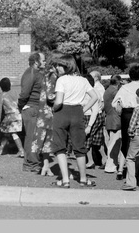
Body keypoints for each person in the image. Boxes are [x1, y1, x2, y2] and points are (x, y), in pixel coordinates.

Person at [50, 55, 99, 188]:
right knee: (79, 147)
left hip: (62, 112)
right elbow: (95, 97)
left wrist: (53, 108)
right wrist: (83, 109)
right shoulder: (83, 80)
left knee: (60, 146)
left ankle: (65, 180)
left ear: (66, 66)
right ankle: (83, 179)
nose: (57, 68)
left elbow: (59, 101)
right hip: (77, 112)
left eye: (59, 65)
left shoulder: (61, 80)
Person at [112, 64, 139, 180]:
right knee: (138, 142)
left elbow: (114, 103)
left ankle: (120, 169)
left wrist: (120, 106)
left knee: (125, 142)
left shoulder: (124, 88)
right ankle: (135, 171)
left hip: (126, 114)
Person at [18, 52, 46, 171]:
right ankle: (31, 164)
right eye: (43, 60)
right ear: (36, 62)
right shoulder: (31, 73)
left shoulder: (36, 73)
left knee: (34, 136)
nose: (45, 62)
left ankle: (31, 163)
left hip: (35, 107)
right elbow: (25, 93)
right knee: (32, 137)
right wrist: (22, 105)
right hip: (31, 108)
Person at [0, 77, 24, 157]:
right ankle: (0, 149)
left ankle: (21, 150)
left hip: (10, 116)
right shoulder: (15, 92)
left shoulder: (1, 96)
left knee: (13, 133)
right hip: (18, 114)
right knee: (7, 133)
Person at [82, 74, 106, 169]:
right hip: (98, 116)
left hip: (91, 116)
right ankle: (105, 159)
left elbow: (94, 110)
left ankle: (90, 161)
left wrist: (89, 125)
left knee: (87, 139)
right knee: (97, 141)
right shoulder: (95, 90)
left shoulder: (90, 93)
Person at [102, 76, 123, 174]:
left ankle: (111, 165)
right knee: (114, 144)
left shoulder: (108, 90)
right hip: (115, 120)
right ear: (119, 82)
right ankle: (111, 166)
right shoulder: (115, 91)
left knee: (112, 143)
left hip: (110, 118)